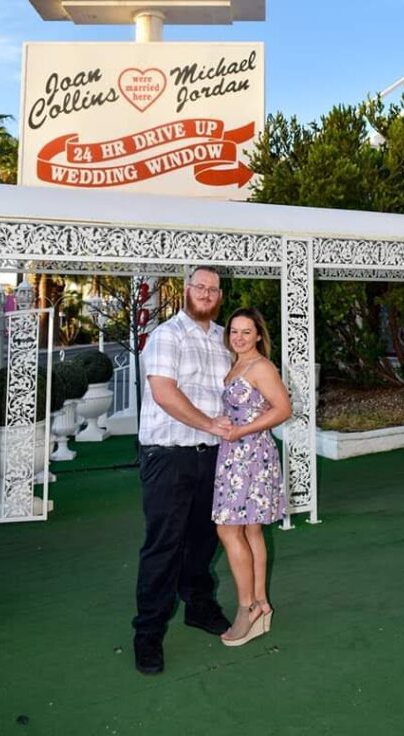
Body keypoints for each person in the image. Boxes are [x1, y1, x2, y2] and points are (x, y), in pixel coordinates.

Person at [132, 266, 233, 675]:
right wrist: (210, 423)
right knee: (164, 544)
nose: (206, 294)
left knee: (205, 538)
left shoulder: (226, 338)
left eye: (213, 289)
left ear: (219, 296)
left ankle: (199, 606)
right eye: (200, 286)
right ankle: (148, 633)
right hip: (168, 454)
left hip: (212, 455)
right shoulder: (166, 335)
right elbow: (163, 393)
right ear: (186, 291)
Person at [212, 307, 291, 647]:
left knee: (228, 529)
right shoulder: (236, 365)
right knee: (251, 529)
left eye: (247, 332)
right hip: (234, 453)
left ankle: (247, 607)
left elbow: (283, 409)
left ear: (259, 335)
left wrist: (242, 429)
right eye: (234, 331)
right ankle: (260, 603)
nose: (240, 337)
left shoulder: (261, 366)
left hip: (251, 455)